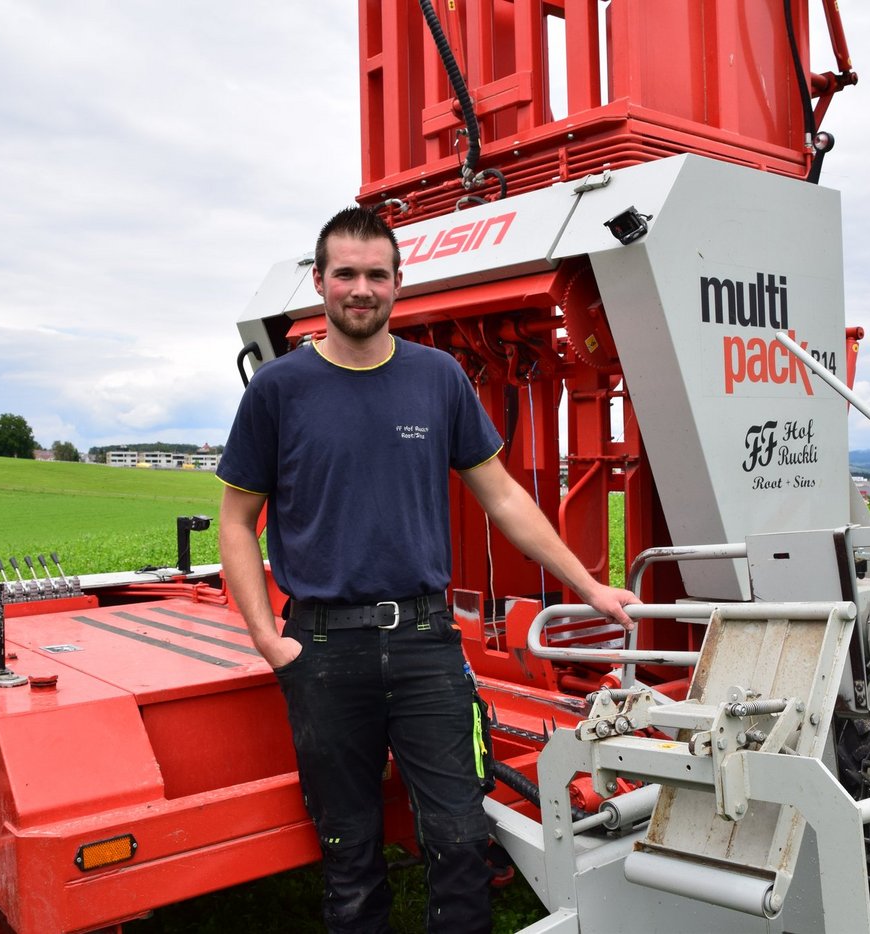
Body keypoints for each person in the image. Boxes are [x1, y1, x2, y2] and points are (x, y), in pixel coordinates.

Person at [217, 206, 637, 933]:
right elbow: (235, 520)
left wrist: (589, 586)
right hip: (322, 650)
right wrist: (266, 638)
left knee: (460, 841)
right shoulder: (279, 390)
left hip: (425, 645)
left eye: (376, 275)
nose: (361, 289)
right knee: (348, 853)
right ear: (319, 282)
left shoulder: (435, 378)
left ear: (397, 283)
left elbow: (503, 496)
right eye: (345, 274)